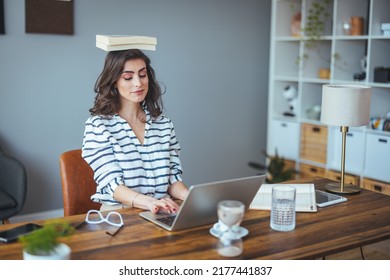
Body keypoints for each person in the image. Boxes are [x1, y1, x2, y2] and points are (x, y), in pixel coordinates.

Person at [82, 49, 189, 214]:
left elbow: (173, 179)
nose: (138, 83)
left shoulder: (163, 124)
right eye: (128, 77)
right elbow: (113, 185)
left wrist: (189, 196)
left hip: (160, 210)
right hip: (119, 213)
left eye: (142, 74)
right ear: (114, 81)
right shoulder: (98, 125)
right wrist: (150, 202)